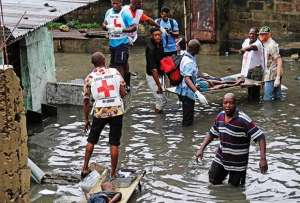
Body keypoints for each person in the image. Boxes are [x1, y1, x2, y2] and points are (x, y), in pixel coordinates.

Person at [195, 93, 268, 186]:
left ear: (235, 104)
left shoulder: (243, 120)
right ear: (222, 104)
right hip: (221, 158)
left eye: (231, 103)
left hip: (238, 164)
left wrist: (263, 159)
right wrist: (201, 148)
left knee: (234, 190)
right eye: (225, 103)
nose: (228, 106)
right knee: (213, 181)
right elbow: (211, 133)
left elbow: (260, 137)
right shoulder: (220, 116)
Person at [81, 52, 126, 179]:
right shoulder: (115, 72)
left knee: (91, 140)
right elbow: (123, 93)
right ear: (105, 61)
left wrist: (86, 120)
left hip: (100, 111)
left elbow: (86, 101)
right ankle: (113, 173)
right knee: (114, 142)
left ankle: (84, 168)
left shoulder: (89, 78)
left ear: (93, 64)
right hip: (116, 110)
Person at [102, 0, 137, 90]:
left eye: (117, 3)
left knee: (119, 65)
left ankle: (120, 87)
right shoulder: (108, 12)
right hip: (112, 43)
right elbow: (103, 24)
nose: (115, 5)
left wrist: (121, 30)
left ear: (121, 3)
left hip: (122, 43)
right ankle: (127, 83)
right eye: (113, 3)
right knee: (120, 63)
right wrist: (106, 27)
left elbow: (134, 27)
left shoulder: (125, 13)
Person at [175, 39, 208, 127]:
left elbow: (192, 72)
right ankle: (186, 136)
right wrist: (198, 93)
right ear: (195, 49)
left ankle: (186, 135)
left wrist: (201, 75)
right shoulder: (188, 61)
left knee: (188, 115)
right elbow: (187, 79)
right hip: (187, 93)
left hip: (183, 90)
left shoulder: (187, 55)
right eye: (198, 48)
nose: (199, 50)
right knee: (188, 119)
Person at [258, 26, 283, 101]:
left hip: (272, 75)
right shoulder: (264, 43)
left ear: (269, 35)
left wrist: (278, 77)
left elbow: (279, 60)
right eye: (260, 34)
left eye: (264, 34)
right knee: (277, 96)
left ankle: (268, 112)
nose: (261, 36)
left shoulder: (271, 45)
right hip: (268, 73)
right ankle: (278, 109)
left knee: (267, 99)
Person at [239, 27, 265, 100]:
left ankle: (256, 106)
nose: (251, 35)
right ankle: (251, 103)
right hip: (247, 70)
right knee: (249, 89)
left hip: (256, 71)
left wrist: (244, 49)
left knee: (255, 91)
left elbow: (252, 47)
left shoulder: (258, 43)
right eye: (250, 34)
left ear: (257, 35)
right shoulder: (246, 41)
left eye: (253, 34)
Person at [145, 27, 167, 113]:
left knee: (163, 100)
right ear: (151, 36)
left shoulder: (160, 43)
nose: (158, 37)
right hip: (153, 76)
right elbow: (153, 70)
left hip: (160, 74)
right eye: (155, 35)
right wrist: (159, 86)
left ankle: (158, 117)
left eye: (159, 35)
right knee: (161, 101)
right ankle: (158, 123)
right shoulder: (151, 49)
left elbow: (162, 59)